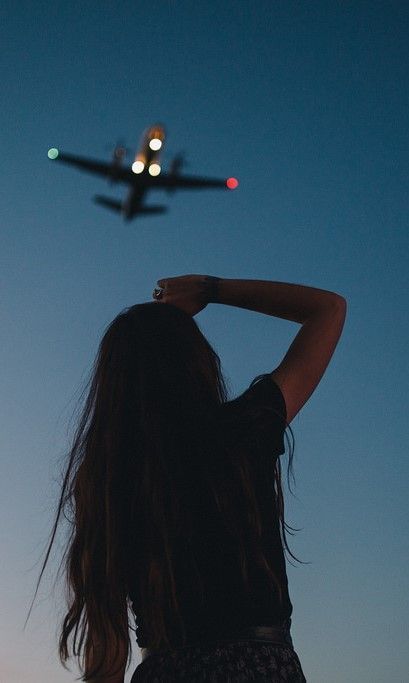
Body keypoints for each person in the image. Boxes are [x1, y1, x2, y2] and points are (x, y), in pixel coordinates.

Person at [25, 274, 346, 682]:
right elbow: (328, 309)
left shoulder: (108, 478)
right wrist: (212, 290)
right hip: (261, 669)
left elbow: (106, 648)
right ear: (197, 362)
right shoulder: (244, 432)